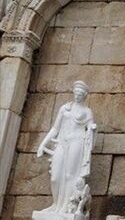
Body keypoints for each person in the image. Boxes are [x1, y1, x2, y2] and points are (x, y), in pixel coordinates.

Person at [35, 80, 97, 216]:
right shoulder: (65, 108)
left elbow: (91, 132)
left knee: (70, 175)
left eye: (81, 93)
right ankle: (56, 204)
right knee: (55, 176)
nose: (78, 95)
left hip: (77, 142)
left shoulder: (87, 112)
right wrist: (43, 144)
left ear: (85, 95)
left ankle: (66, 206)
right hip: (62, 142)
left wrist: (93, 130)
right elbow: (55, 128)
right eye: (76, 92)